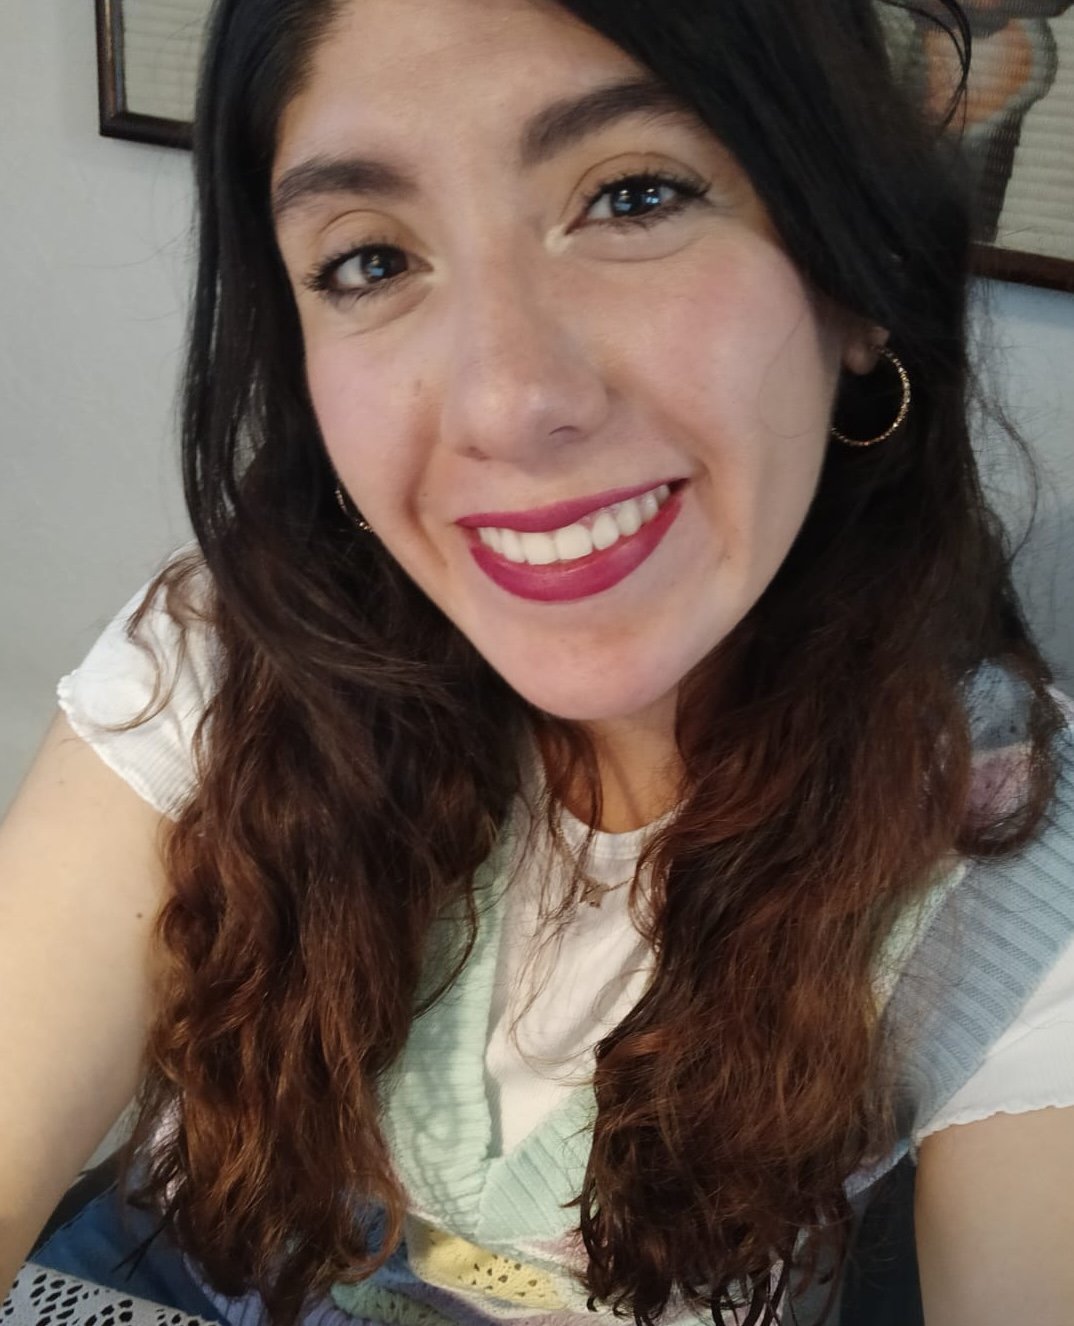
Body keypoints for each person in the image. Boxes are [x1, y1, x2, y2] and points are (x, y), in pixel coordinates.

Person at [2, 0, 1073, 1324]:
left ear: (854, 279)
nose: (507, 400)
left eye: (634, 196)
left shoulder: (1013, 857)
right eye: (370, 261)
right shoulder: (223, 656)